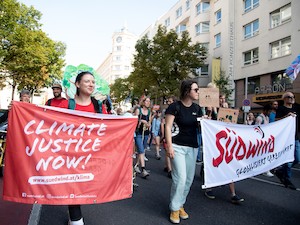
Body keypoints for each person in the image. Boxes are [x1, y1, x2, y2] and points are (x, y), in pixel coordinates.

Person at [60, 71, 102, 225]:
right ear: (77, 84)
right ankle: (75, 217)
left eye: (93, 81)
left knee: (86, 185)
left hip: (91, 154)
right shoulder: (67, 105)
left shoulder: (98, 106)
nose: (91, 84)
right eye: (87, 81)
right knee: (73, 185)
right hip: (70, 154)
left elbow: (107, 127)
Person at [165, 79, 203, 224]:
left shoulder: (198, 108)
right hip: (177, 146)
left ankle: (180, 204)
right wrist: (169, 146)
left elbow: (200, 127)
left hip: (192, 147)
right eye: (196, 89)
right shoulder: (175, 107)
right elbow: (168, 126)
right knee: (180, 178)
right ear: (187, 91)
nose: (198, 92)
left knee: (188, 179)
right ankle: (174, 208)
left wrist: (205, 121)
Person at [204, 94, 244, 204]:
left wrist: (229, 111)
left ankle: (233, 194)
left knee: (229, 164)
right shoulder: (212, 109)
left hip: (226, 141)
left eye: (224, 98)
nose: (222, 100)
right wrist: (210, 111)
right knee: (213, 164)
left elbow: (231, 124)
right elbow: (207, 121)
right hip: (214, 141)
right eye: (220, 98)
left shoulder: (227, 109)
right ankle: (209, 188)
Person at [274, 92, 299, 190]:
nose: (291, 98)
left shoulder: (297, 107)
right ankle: (287, 180)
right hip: (286, 138)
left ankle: (280, 170)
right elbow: (276, 121)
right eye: (289, 97)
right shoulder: (281, 109)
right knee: (288, 160)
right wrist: (287, 116)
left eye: (293, 97)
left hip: (296, 136)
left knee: (297, 158)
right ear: (284, 99)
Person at [133, 97, 151, 178]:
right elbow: (134, 120)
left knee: (141, 150)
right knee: (141, 150)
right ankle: (143, 169)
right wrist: (141, 121)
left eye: (149, 101)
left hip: (146, 133)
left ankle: (136, 165)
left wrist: (148, 124)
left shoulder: (149, 112)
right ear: (143, 102)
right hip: (139, 133)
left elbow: (149, 122)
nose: (148, 102)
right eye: (147, 101)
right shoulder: (138, 110)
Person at [255, 104, 273, 177]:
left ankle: (265, 169)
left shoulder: (267, 117)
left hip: (265, 139)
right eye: (269, 111)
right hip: (260, 139)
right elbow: (256, 129)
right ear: (265, 110)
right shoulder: (260, 118)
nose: (270, 113)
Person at [162, 96, 177, 178]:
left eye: (170, 101)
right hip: (169, 132)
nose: (168, 103)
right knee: (168, 149)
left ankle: (167, 165)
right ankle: (170, 169)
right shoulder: (166, 111)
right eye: (167, 101)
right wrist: (163, 134)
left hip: (176, 132)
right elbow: (163, 123)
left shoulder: (178, 109)